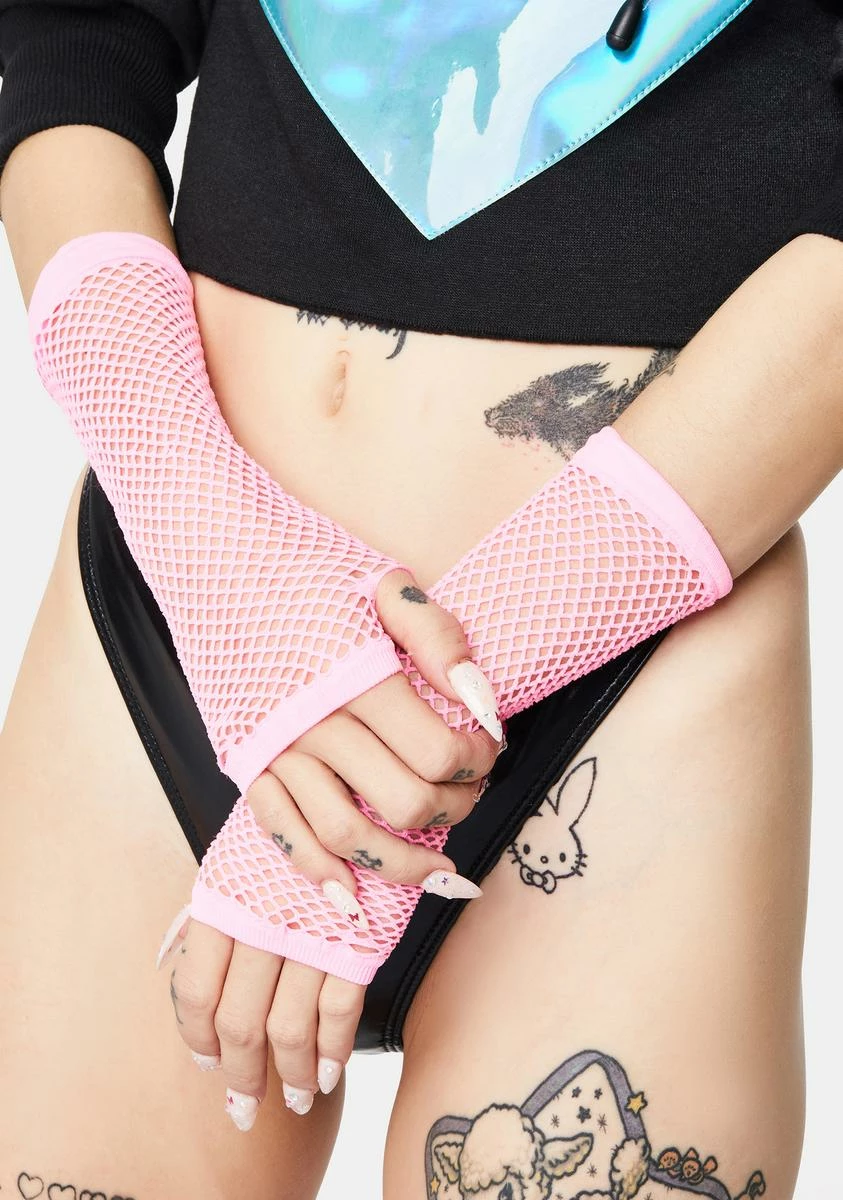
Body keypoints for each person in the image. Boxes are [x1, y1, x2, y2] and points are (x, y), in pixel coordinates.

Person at [0, 1, 840, 1197]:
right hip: (180, 611)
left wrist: (399, 718)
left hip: (637, 671)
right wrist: (218, 562)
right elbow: (79, 34)